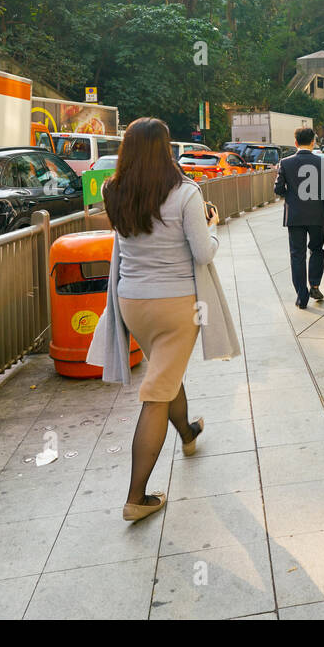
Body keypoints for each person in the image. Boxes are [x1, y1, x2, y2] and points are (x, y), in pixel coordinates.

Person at [99, 117, 239, 523]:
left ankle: (188, 433)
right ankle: (135, 498)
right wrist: (212, 227)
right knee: (156, 391)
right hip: (177, 305)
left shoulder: (114, 190)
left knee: (165, 373)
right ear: (166, 150)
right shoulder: (186, 194)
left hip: (132, 302)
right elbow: (203, 254)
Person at [275, 128, 324, 308]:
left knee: (297, 255)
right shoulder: (322, 162)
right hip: (317, 215)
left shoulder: (285, 163)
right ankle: (315, 285)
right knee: (317, 250)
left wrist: (291, 196)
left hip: (294, 216)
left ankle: (302, 296)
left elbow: (278, 189)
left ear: (295, 143)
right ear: (313, 142)